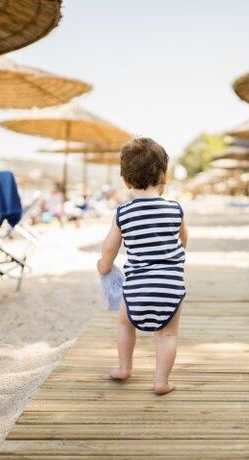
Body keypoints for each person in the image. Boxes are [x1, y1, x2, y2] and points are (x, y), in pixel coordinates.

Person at [97, 138, 188, 395]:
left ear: (126, 181)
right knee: (167, 336)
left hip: (136, 285)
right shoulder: (175, 209)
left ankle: (124, 367)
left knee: (125, 324)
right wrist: (179, 257)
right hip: (171, 285)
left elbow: (109, 248)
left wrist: (104, 267)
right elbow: (183, 237)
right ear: (164, 176)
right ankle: (161, 381)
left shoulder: (123, 213)